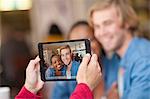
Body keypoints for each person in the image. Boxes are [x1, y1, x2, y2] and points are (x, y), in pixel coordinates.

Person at [88, 0, 150, 98]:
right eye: (97, 26)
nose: (101, 33)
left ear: (126, 22)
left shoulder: (143, 60)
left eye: (107, 23)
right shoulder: (114, 58)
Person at [15, 54, 101, 99]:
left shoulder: (67, 69)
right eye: (55, 62)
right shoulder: (51, 73)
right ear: (52, 65)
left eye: (59, 61)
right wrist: (84, 87)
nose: (58, 64)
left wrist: (30, 89)